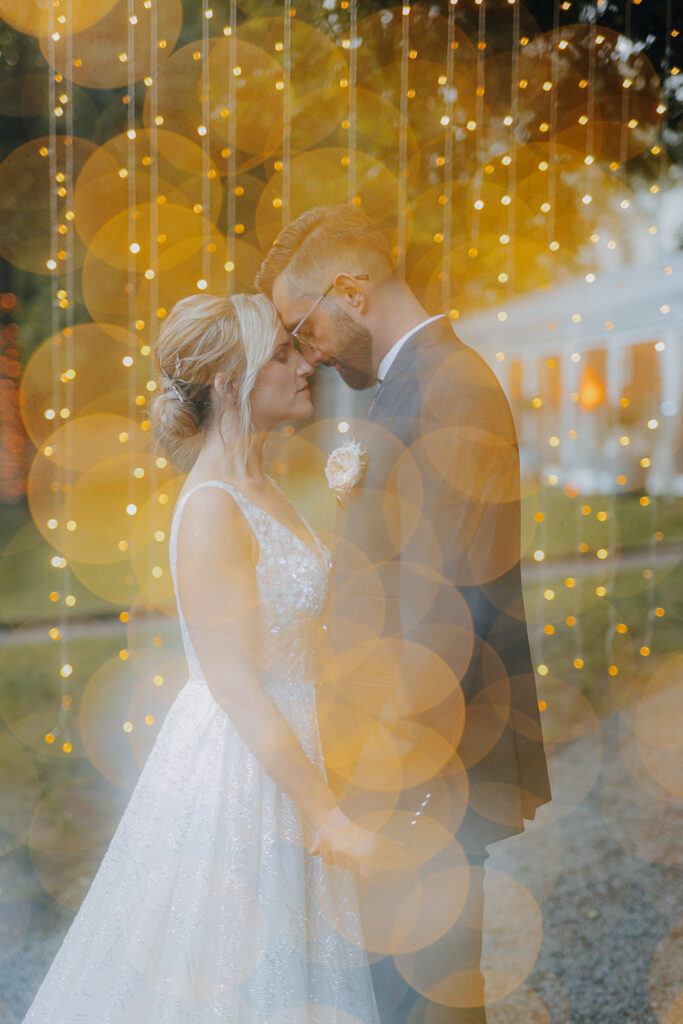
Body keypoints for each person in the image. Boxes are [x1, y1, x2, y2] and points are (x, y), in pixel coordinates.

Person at [23, 293, 382, 1024]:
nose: (304, 361)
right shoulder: (214, 505)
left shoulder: (264, 486)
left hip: (293, 740)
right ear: (229, 383)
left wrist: (353, 516)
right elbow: (234, 682)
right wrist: (326, 813)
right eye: (282, 354)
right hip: (244, 770)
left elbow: (297, 619)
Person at [256, 206, 552, 1024]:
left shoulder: (449, 388)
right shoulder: (406, 385)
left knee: (426, 1003)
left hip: (425, 774)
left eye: (299, 325)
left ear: (349, 291)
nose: (300, 349)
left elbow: (449, 612)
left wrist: (389, 791)